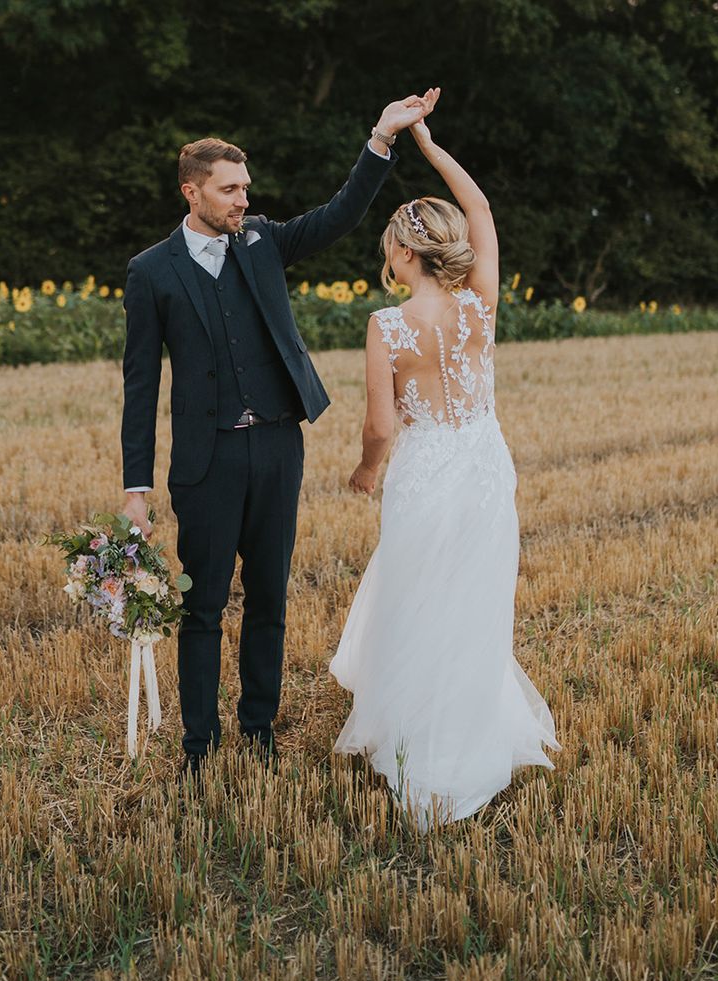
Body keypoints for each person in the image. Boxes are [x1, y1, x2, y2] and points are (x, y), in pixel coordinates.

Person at [121, 91, 439, 789]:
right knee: (202, 606)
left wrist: (381, 139)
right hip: (205, 463)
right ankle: (199, 744)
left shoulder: (263, 240)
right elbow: (140, 385)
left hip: (276, 450)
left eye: (245, 189)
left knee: (269, 597)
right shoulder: (151, 272)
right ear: (192, 190)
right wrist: (135, 488)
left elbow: (339, 215)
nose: (242, 199)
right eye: (229, 189)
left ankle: (258, 729)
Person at [329, 89, 561, 831]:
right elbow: (484, 212)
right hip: (485, 467)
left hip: (425, 472)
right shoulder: (478, 305)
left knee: (415, 600)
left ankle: (415, 750)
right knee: (475, 603)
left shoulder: (386, 325)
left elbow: (379, 424)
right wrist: (428, 145)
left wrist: (368, 469)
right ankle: (467, 743)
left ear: (402, 253)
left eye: (386, 252)